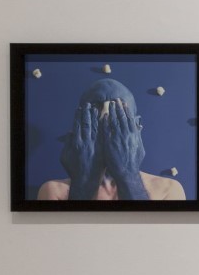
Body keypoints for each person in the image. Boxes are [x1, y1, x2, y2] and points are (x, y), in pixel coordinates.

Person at [35, 79, 186, 201]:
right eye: (95, 110)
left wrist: (128, 176)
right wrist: (84, 182)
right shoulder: (53, 191)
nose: (105, 117)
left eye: (118, 111)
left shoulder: (168, 190)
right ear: (79, 124)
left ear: (137, 126)